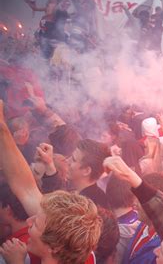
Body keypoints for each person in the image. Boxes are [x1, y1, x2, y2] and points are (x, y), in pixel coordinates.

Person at [0, 100, 101, 264]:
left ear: (54, 247)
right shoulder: (84, 255)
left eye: (36, 224)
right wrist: (2, 128)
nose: (28, 221)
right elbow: (26, 188)